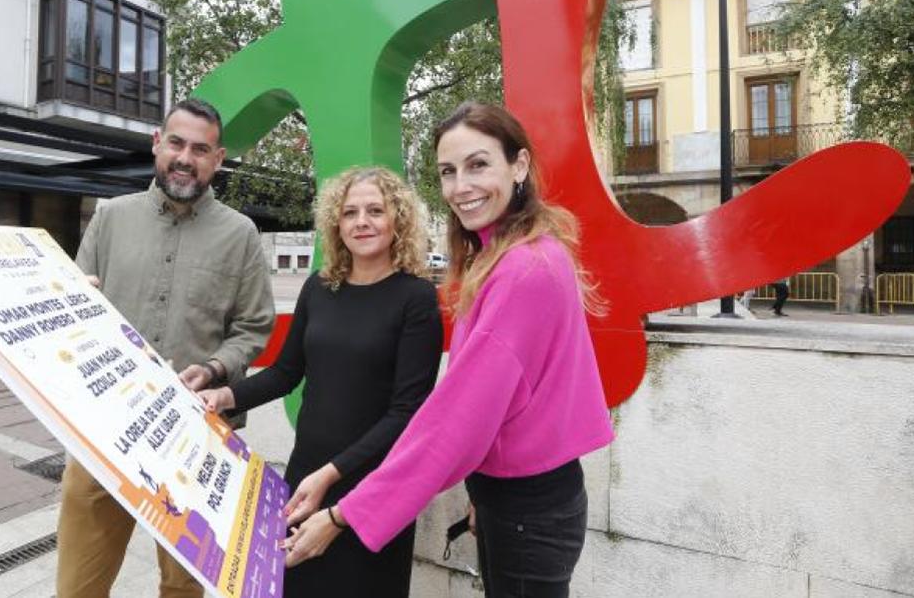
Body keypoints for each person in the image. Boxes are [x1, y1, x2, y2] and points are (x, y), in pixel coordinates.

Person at [284, 102, 615, 598]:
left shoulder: (522, 270)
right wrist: (482, 491)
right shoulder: (511, 255)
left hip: (529, 510)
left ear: (519, 166)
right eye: (448, 172)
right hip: (518, 500)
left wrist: (344, 513)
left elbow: (455, 422)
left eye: (478, 165)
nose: (461, 187)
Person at [56, 98, 275, 598]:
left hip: (197, 438)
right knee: (76, 588)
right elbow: (73, 310)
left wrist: (217, 367)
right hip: (104, 432)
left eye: (200, 149)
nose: (185, 157)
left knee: (184, 589)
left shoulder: (240, 235)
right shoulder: (109, 218)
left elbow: (254, 327)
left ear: (217, 159)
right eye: (176, 143)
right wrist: (72, 301)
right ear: (158, 144)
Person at [200, 166, 443, 598]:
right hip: (306, 476)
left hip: (372, 487)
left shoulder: (417, 298)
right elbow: (285, 373)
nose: (361, 222)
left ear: (398, 220)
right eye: (349, 212)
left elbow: (408, 413)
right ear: (336, 222)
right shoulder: (319, 287)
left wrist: (331, 475)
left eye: (375, 210)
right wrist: (224, 395)